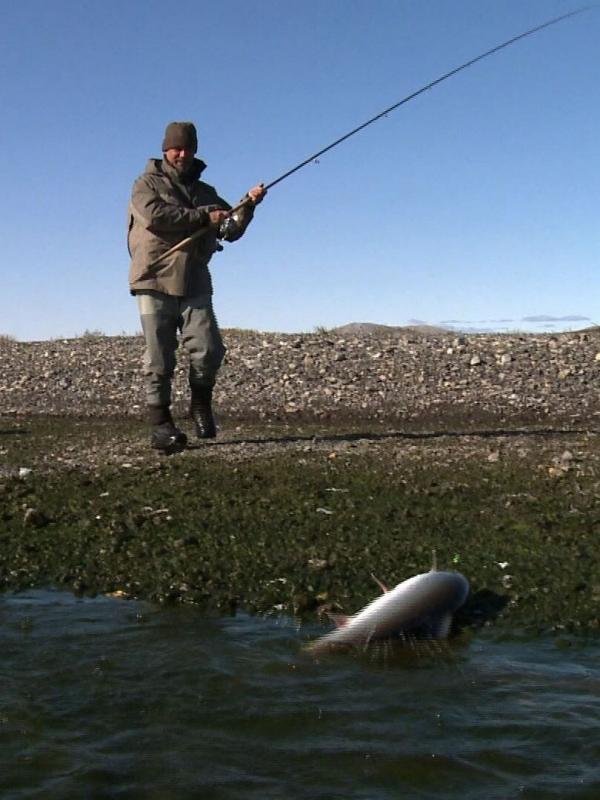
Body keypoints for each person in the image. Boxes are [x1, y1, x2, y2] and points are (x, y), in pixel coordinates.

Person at [127, 121, 266, 453]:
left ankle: (200, 404)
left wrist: (247, 207)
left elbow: (228, 230)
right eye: (176, 148)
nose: (182, 153)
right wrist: (205, 216)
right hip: (154, 277)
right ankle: (161, 426)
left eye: (188, 148)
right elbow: (157, 216)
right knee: (159, 358)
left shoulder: (206, 191)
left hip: (195, 280)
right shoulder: (145, 184)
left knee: (209, 350)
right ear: (165, 150)